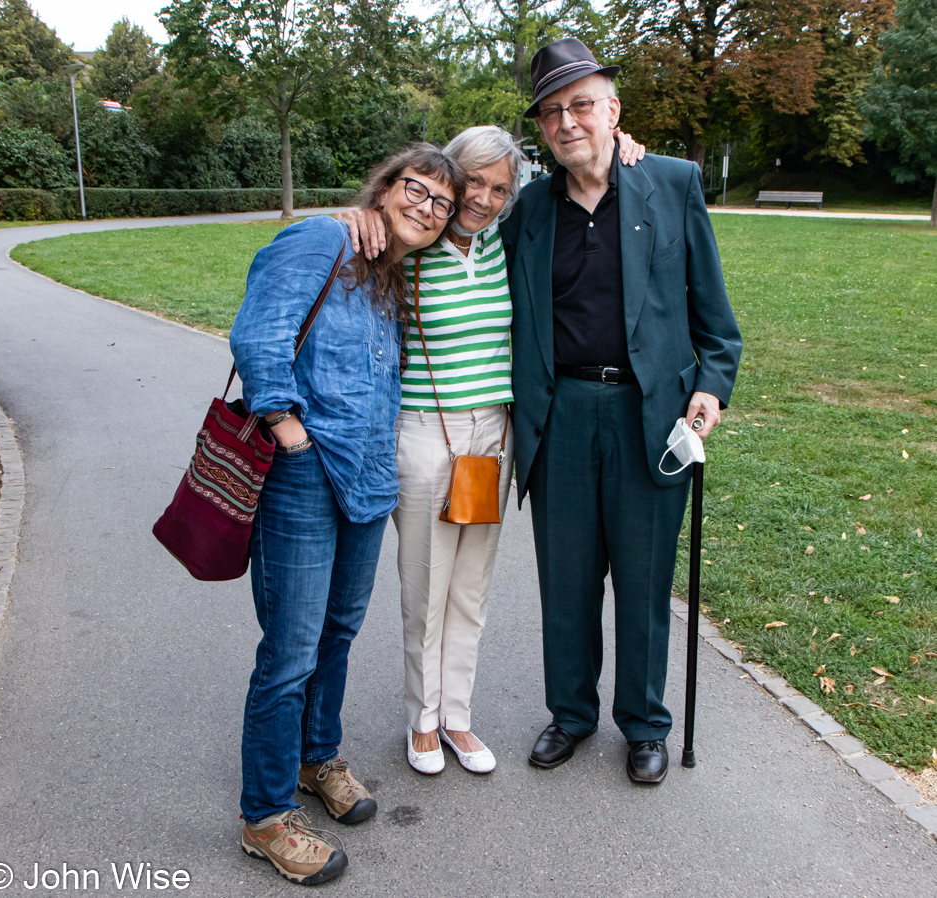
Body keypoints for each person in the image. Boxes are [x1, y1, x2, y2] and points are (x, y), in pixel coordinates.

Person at [339, 126, 644, 776]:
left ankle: (457, 717)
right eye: (472, 181)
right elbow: (369, 228)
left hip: (492, 440)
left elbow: (579, 184)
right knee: (428, 585)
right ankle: (421, 721)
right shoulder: (411, 245)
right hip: (425, 434)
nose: (482, 198)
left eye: (498, 187)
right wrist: (360, 214)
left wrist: (619, 146)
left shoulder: (509, 245)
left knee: (471, 591)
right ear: (451, 177)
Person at [500, 38, 742, 784]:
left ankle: (644, 724)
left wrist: (713, 383)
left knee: (642, 581)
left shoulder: (672, 184)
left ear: (612, 110)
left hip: (650, 413)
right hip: (561, 411)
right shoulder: (528, 210)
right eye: (552, 112)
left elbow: (715, 316)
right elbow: (449, 231)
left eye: (581, 105)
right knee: (566, 580)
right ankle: (571, 715)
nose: (566, 121)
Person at [229, 143, 464, 885]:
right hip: (303, 476)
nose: (426, 209)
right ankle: (266, 817)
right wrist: (282, 426)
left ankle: (315, 758)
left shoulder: (392, 272)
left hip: (367, 479)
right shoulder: (324, 237)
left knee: (338, 632)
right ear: (385, 188)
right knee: (291, 649)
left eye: (441, 204)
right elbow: (259, 328)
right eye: (416, 190)